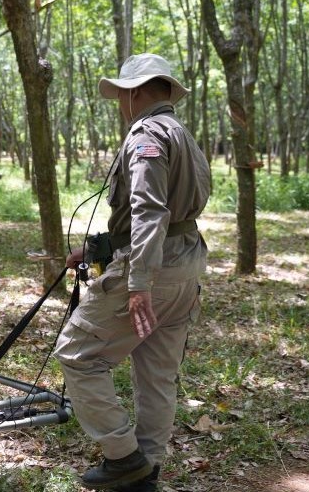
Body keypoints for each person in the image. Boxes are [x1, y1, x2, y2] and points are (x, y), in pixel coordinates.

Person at [54, 54, 210, 491]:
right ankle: (147, 471)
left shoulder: (146, 133)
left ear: (136, 91)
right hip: (186, 265)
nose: (121, 102)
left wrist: (138, 283)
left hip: (153, 270)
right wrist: (98, 246)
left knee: (77, 354)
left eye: (123, 93)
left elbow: (149, 211)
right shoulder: (183, 134)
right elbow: (170, 214)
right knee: (157, 372)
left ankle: (123, 458)